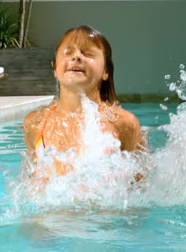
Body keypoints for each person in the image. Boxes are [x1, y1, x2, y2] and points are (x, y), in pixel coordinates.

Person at [23, 26, 145, 178]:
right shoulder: (35, 123)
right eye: (68, 53)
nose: (77, 57)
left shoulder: (123, 123)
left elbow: (140, 186)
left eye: (88, 53)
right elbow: (30, 183)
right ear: (54, 68)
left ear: (106, 71)